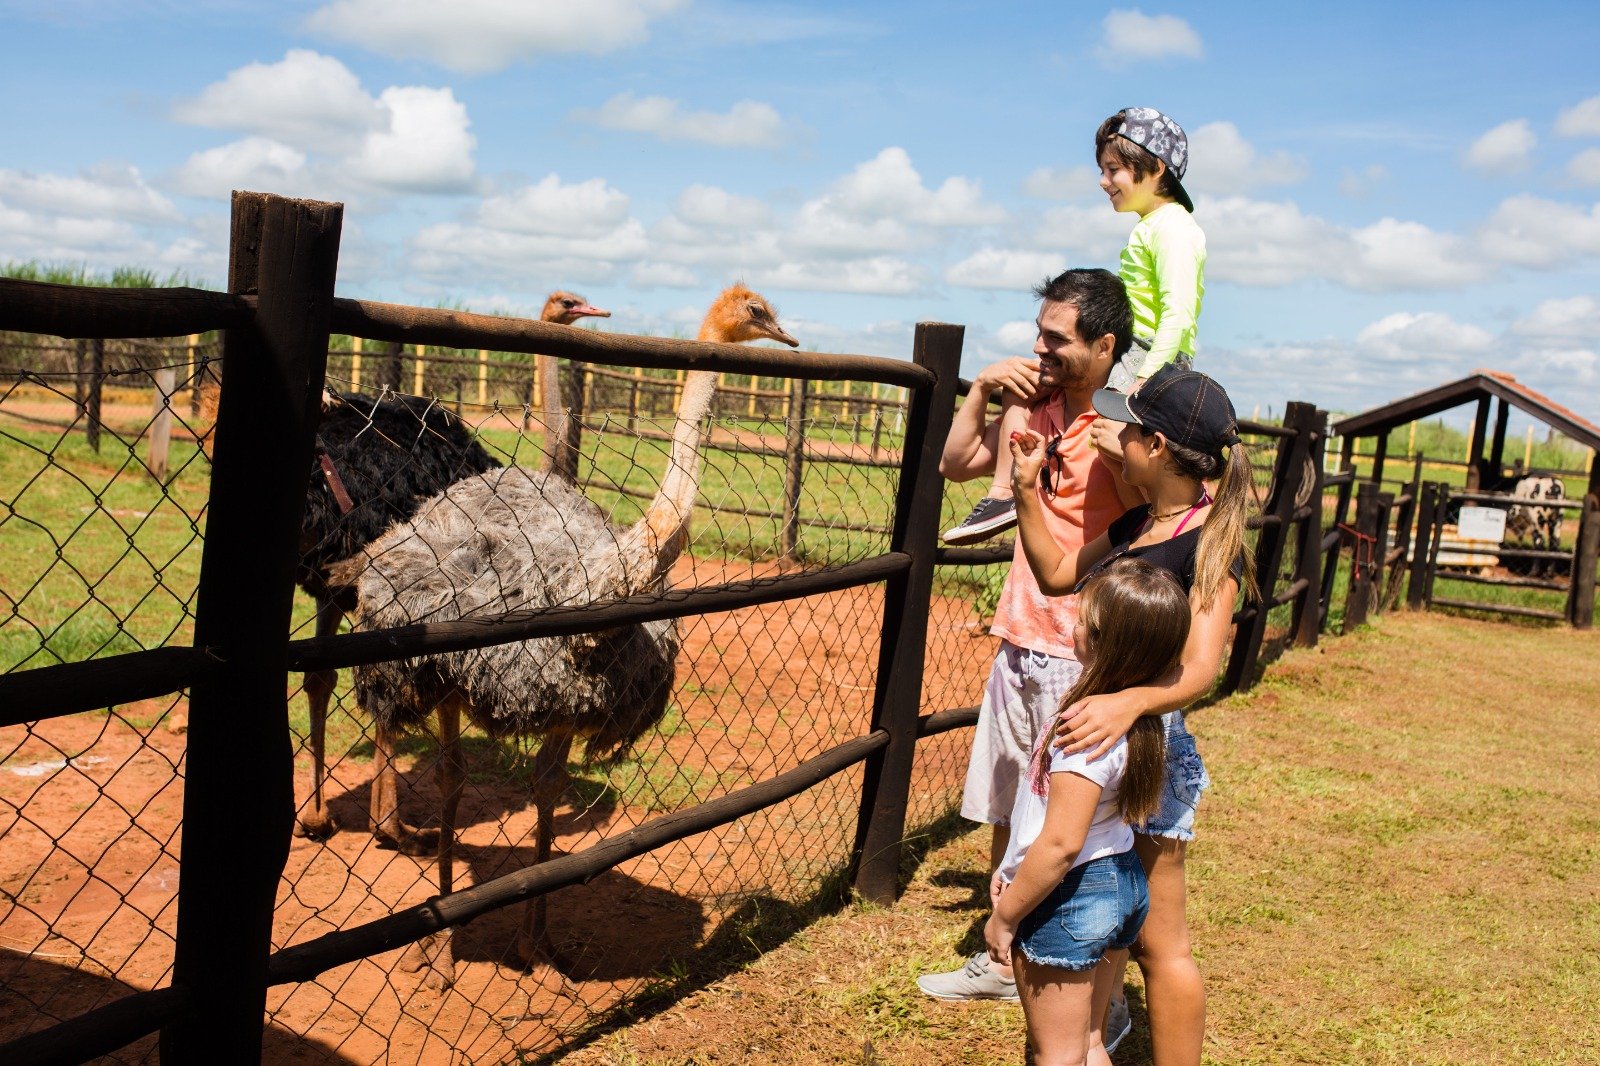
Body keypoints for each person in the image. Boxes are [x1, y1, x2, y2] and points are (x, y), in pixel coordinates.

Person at [918, 268, 1143, 1044]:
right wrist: (982, 389)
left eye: (1057, 338)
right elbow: (954, 463)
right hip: (1019, 634)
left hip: (1082, 648)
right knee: (1013, 804)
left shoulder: (1122, 428)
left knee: (1072, 822)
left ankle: (1091, 990)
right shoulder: (1035, 408)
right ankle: (1003, 954)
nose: (1040, 349)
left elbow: (1159, 517)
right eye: (1037, 334)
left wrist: (1123, 460)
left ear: (1104, 347)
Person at [1008, 364, 1257, 1066]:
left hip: (1151, 744)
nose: (1114, 434)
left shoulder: (1208, 542)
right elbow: (1059, 573)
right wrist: (1026, 490)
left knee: (1160, 943)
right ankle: (1090, 1040)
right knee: (1115, 919)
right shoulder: (1142, 523)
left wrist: (1128, 702)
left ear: (1158, 447)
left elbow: (1200, 669)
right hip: (1116, 739)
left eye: (1128, 426)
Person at [942, 105, 1204, 545]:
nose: (1103, 181)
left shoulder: (1173, 228)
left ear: (1156, 168)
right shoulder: (1153, 226)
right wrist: (985, 384)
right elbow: (953, 464)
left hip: (1149, 354)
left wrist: (1144, 377)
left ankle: (1151, 533)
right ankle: (1004, 493)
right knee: (1024, 387)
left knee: (1117, 440)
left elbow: (1177, 314)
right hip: (1136, 349)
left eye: (1113, 169)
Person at [986, 559, 1191, 1066]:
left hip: (1071, 896)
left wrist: (1005, 917)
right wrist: (1010, 869)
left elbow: (1061, 844)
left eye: (1081, 621)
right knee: (1090, 1042)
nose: (1072, 627)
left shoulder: (1083, 734)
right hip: (1121, 882)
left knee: (1056, 1054)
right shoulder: (1140, 720)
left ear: (1102, 642)